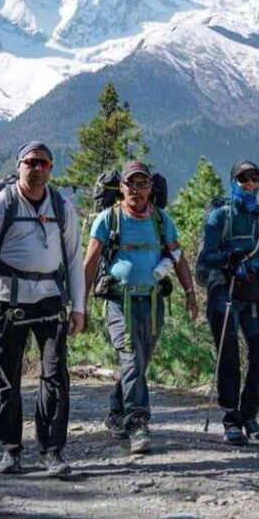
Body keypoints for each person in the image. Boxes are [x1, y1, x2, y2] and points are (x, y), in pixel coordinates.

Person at [0, 141, 85, 475]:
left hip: (51, 299)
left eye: (44, 163)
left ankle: (52, 452)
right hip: (8, 299)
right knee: (7, 377)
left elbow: (75, 260)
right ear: (19, 165)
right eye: (31, 162)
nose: (37, 168)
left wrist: (79, 307)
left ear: (51, 169)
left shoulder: (62, 207)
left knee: (55, 376)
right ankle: (11, 451)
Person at [83, 161, 197, 454]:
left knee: (139, 362)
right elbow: (90, 262)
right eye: (130, 183)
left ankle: (116, 411)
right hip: (120, 302)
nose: (136, 189)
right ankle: (138, 424)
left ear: (151, 188)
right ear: (121, 187)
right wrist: (78, 306)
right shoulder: (108, 219)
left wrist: (190, 293)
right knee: (132, 358)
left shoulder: (161, 220)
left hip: (154, 301)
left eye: (142, 183)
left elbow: (178, 256)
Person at [198, 161, 259, 445]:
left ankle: (249, 413)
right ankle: (231, 419)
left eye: (255, 179)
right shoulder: (220, 217)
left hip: (255, 295)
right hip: (225, 296)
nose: (250, 184)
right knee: (229, 360)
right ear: (233, 182)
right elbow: (205, 258)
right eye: (243, 179)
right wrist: (228, 258)